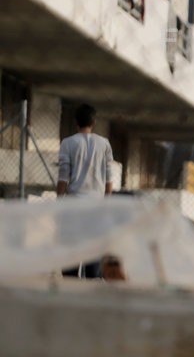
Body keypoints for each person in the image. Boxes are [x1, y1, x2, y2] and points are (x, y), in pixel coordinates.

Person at [57, 103, 114, 278]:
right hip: (95, 207)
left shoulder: (68, 143)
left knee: (71, 255)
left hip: (73, 205)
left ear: (76, 122)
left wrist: (59, 202)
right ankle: (91, 292)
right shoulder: (104, 144)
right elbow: (109, 180)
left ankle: (70, 292)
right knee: (92, 255)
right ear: (94, 122)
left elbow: (63, 178)